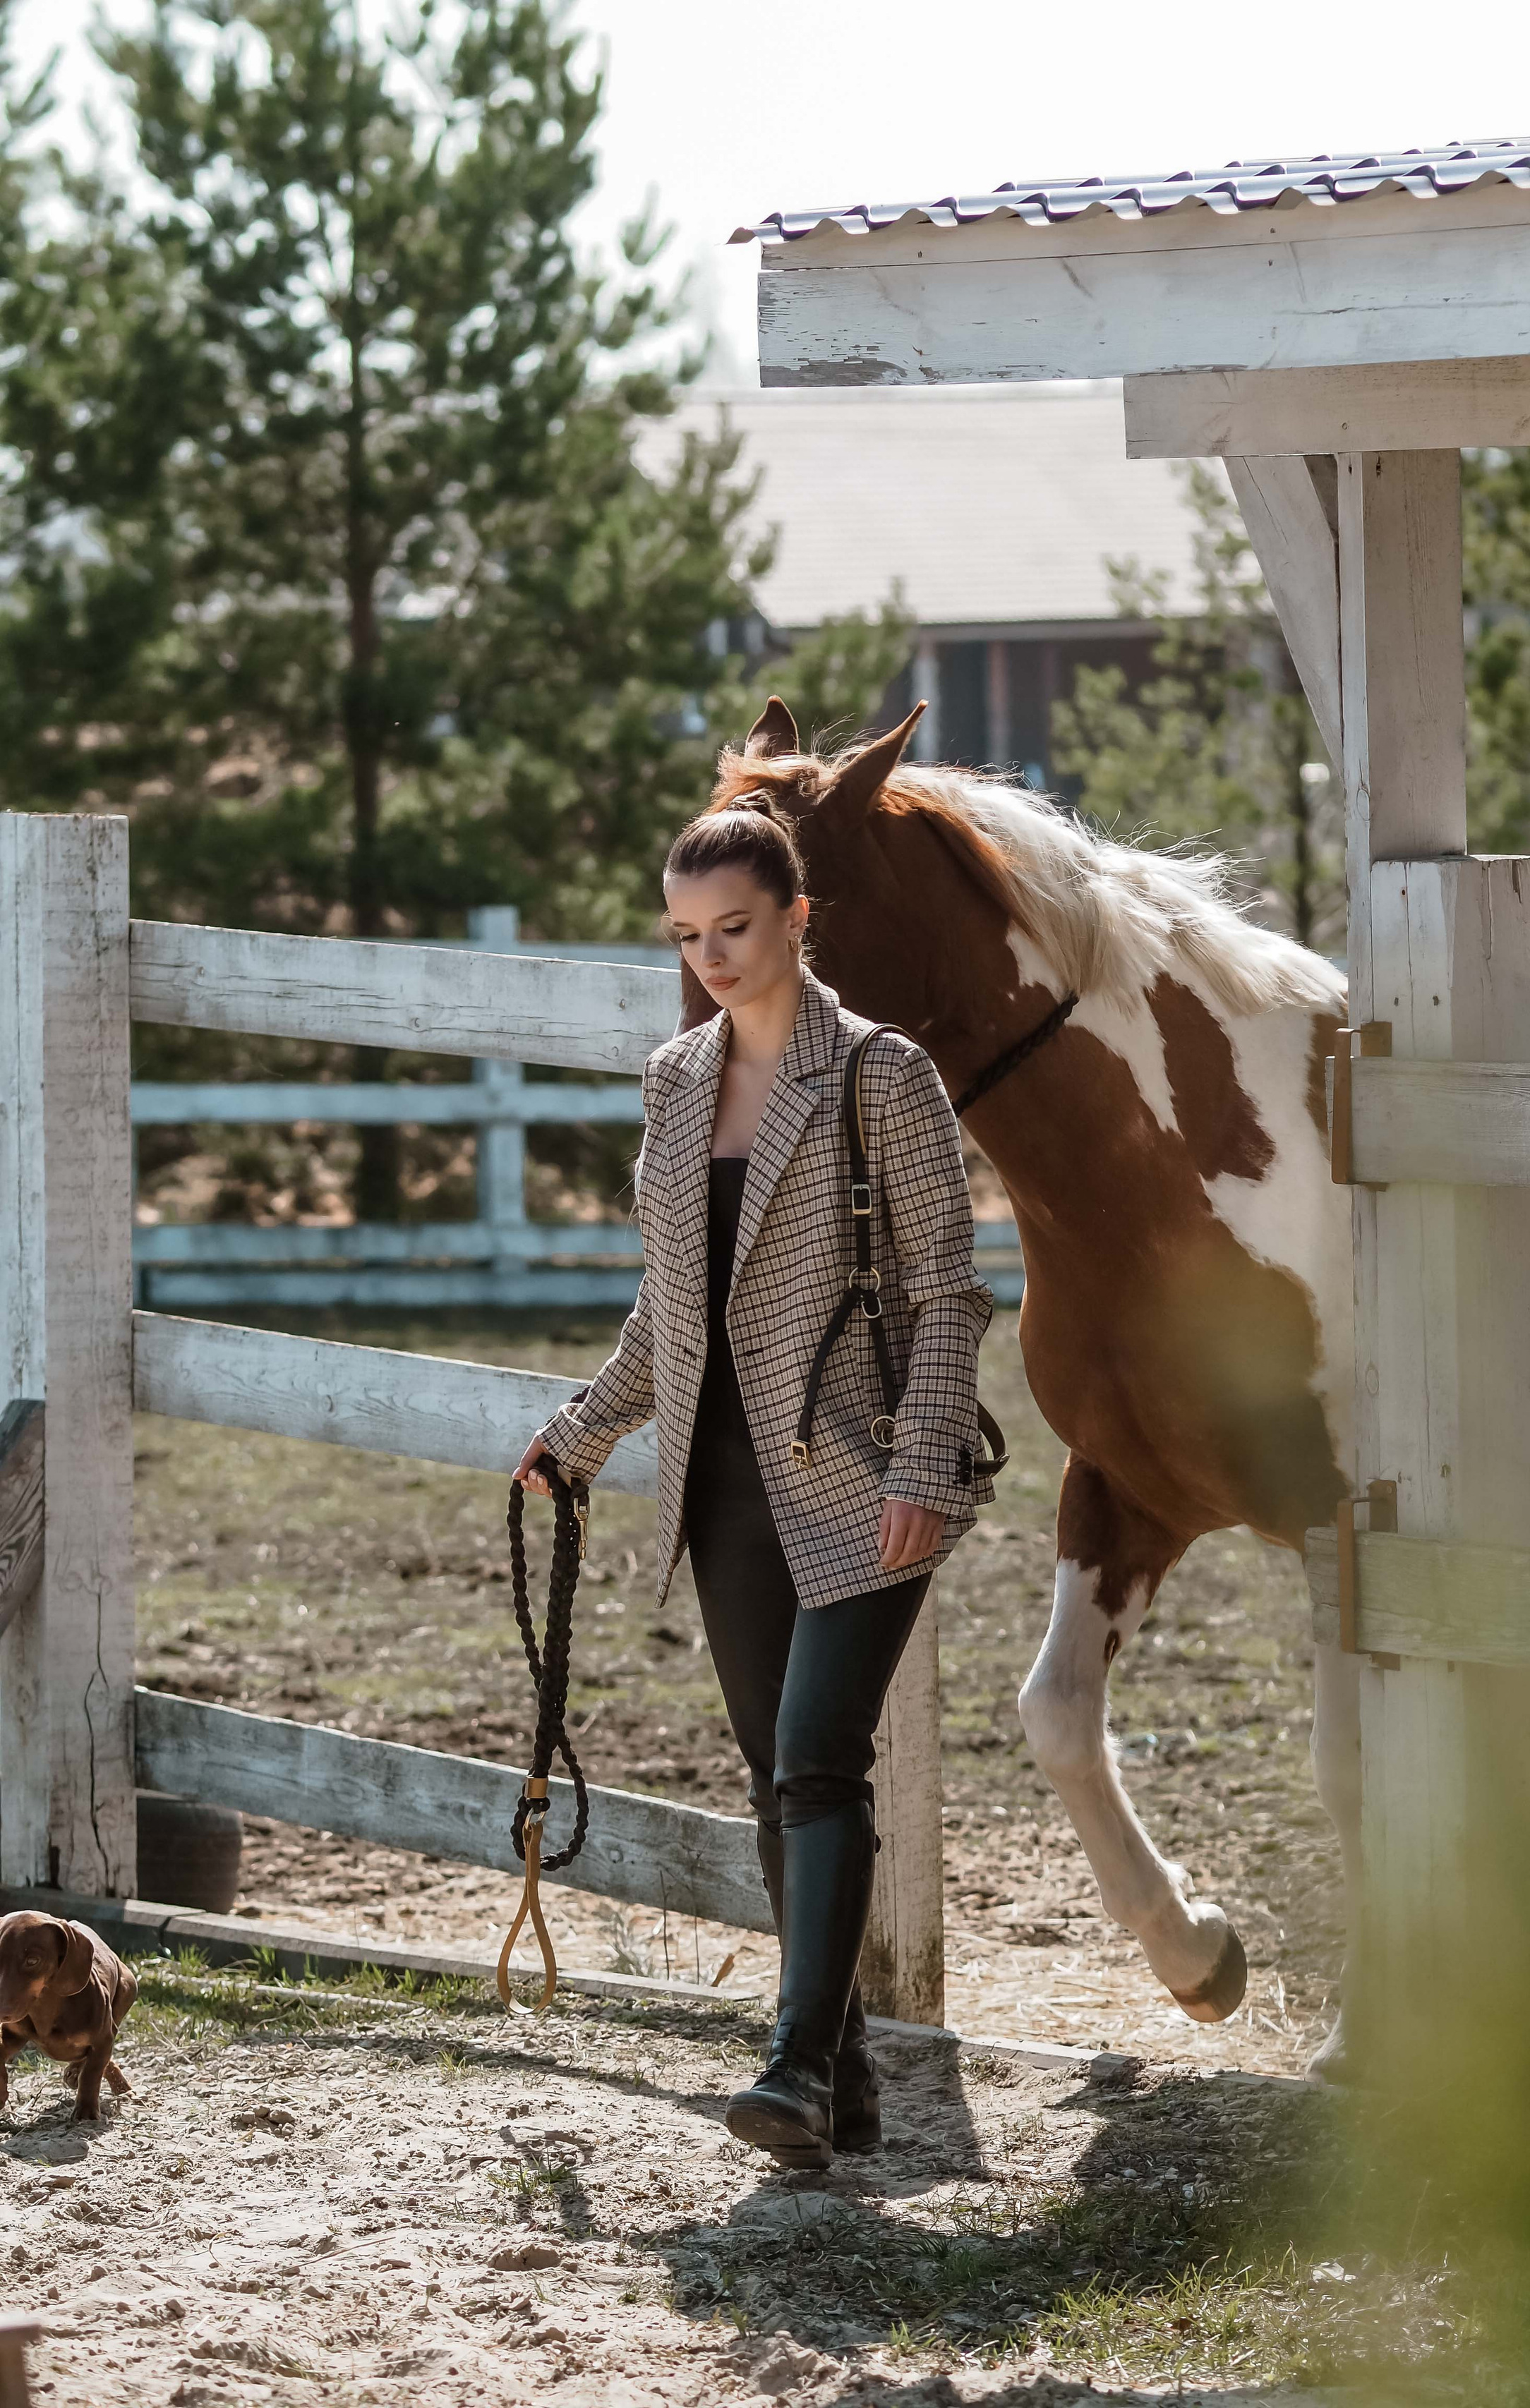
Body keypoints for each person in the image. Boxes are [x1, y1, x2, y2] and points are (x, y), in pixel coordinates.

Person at [513, 773, 994, 2170]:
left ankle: (788, 2062)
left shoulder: (879, 1076)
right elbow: (669, 1311)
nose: (710, 957)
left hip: (862, 1476)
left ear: (797, 914)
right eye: (685, 936)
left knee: (813, 1757)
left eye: (733, 925)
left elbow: (946, 1293)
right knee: (769, 1772)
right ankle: (835, 2087)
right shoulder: (673, 1085)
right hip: (719, 1483)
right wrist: (581, 1432)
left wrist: (921, 1460)